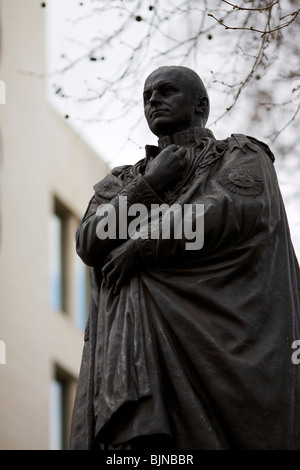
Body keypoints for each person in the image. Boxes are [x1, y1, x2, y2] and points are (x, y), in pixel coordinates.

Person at [69, 65, 300, 450]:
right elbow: (89, 240)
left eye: (166, 90)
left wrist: (142, 248)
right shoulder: (124, 181)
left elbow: (231, 209)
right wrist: (150, 185)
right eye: (146, 96)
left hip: (221, 339)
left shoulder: (239, 155)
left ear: (200, 104)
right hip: (130, 349)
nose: (153, 100)